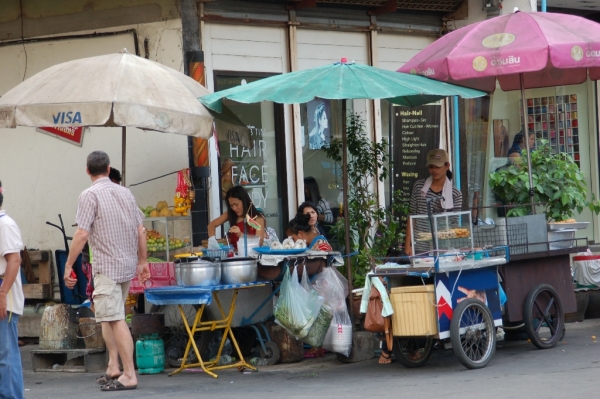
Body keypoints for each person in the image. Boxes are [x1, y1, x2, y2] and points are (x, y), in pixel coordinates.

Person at [63, 151, 149, 392]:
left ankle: (129, 374)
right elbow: (141, 230)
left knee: (114, 318)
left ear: (87, 171)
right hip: (125, 266)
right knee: (110, 317)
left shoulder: (89, 195)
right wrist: (143, 262)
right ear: (109, 169)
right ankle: (114, 366)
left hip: (106, 268)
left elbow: (82, 233)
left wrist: (69, 265)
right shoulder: (126, 193)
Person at [404, 149, 463, 256]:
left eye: (438, 167)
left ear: (447, 165)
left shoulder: (455, 194)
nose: (434, 170)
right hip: (420, 246)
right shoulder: (419, 187)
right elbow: (412, 216)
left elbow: (454, 223)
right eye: (431, 167)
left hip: (444, 248)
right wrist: (408, 244)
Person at [0, 180, 25, 399]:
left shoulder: (4, 224)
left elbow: (14, 260)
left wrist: (2, 293)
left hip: (3, 290)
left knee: (5, 354)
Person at [207, 186, 266, 250]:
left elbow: (259, 241)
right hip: (233, 255)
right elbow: (211, 225)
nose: (234, 208)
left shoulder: (257, 218)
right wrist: (212, 241)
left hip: (250, 255)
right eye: (231, 205)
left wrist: (242, 235)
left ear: (244, 201)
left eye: (236, 204)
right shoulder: (231, 213)